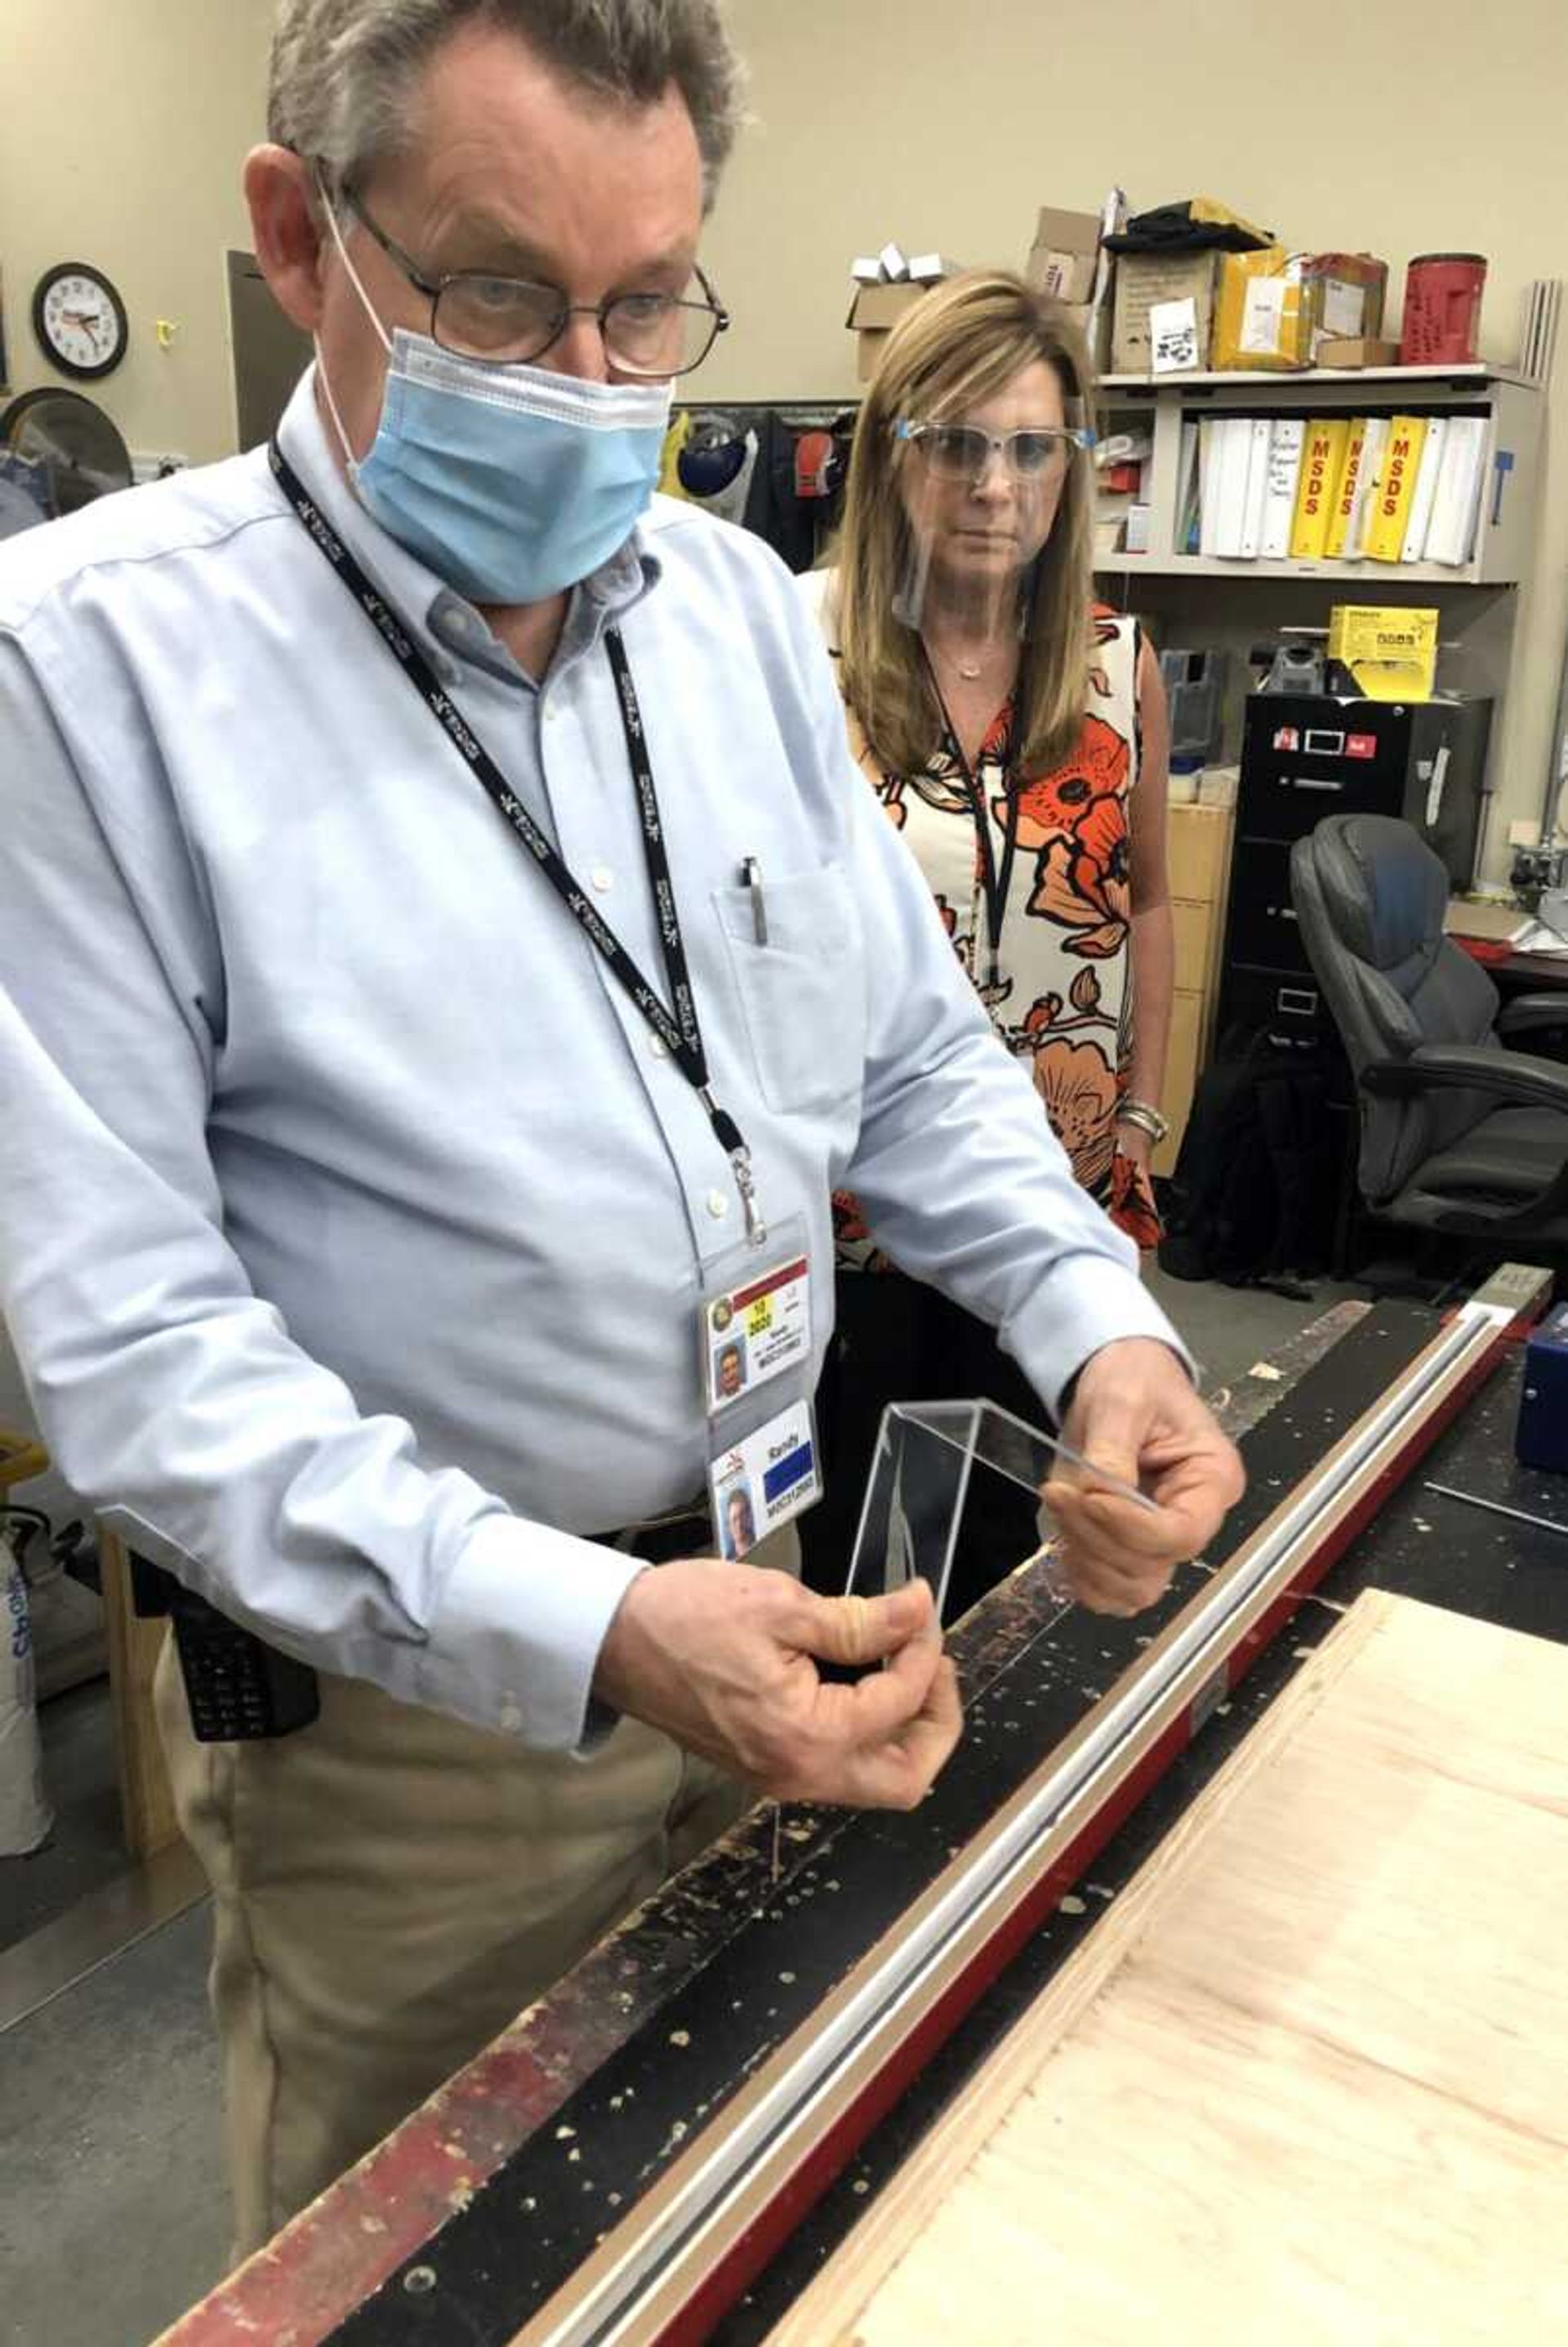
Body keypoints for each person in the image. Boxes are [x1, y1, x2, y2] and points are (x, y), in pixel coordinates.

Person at [0, 0, 1241, 2257]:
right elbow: (138, 1357)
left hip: (789, 1588)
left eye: (647, 301)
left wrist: (1103, 1328)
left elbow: (911, 1058)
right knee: (456, 2271)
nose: (586, 380)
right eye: (498, 294)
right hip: (418, 1732)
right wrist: (592, 1625)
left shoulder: (738, 624)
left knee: (772, 2203)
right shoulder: (82, 679)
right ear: (300, 234)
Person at [800, 274, 1178, 1598]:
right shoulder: (795, 647)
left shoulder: (1114, 662)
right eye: (956, 444)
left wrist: (1139, 1122)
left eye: (1030, 448)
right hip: (855, 1211)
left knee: (1015, 1558)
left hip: (1052, 1192)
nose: (994, 484)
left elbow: (1147, 903)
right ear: (893, 452)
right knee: (854, 1562)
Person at [724, 1483, 758, 1560]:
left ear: (749, 1517)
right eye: (734, 1519)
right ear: (729, 1524)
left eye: (742, 1516)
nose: (739, 1525)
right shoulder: (727, 1560)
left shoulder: (762, 1541)